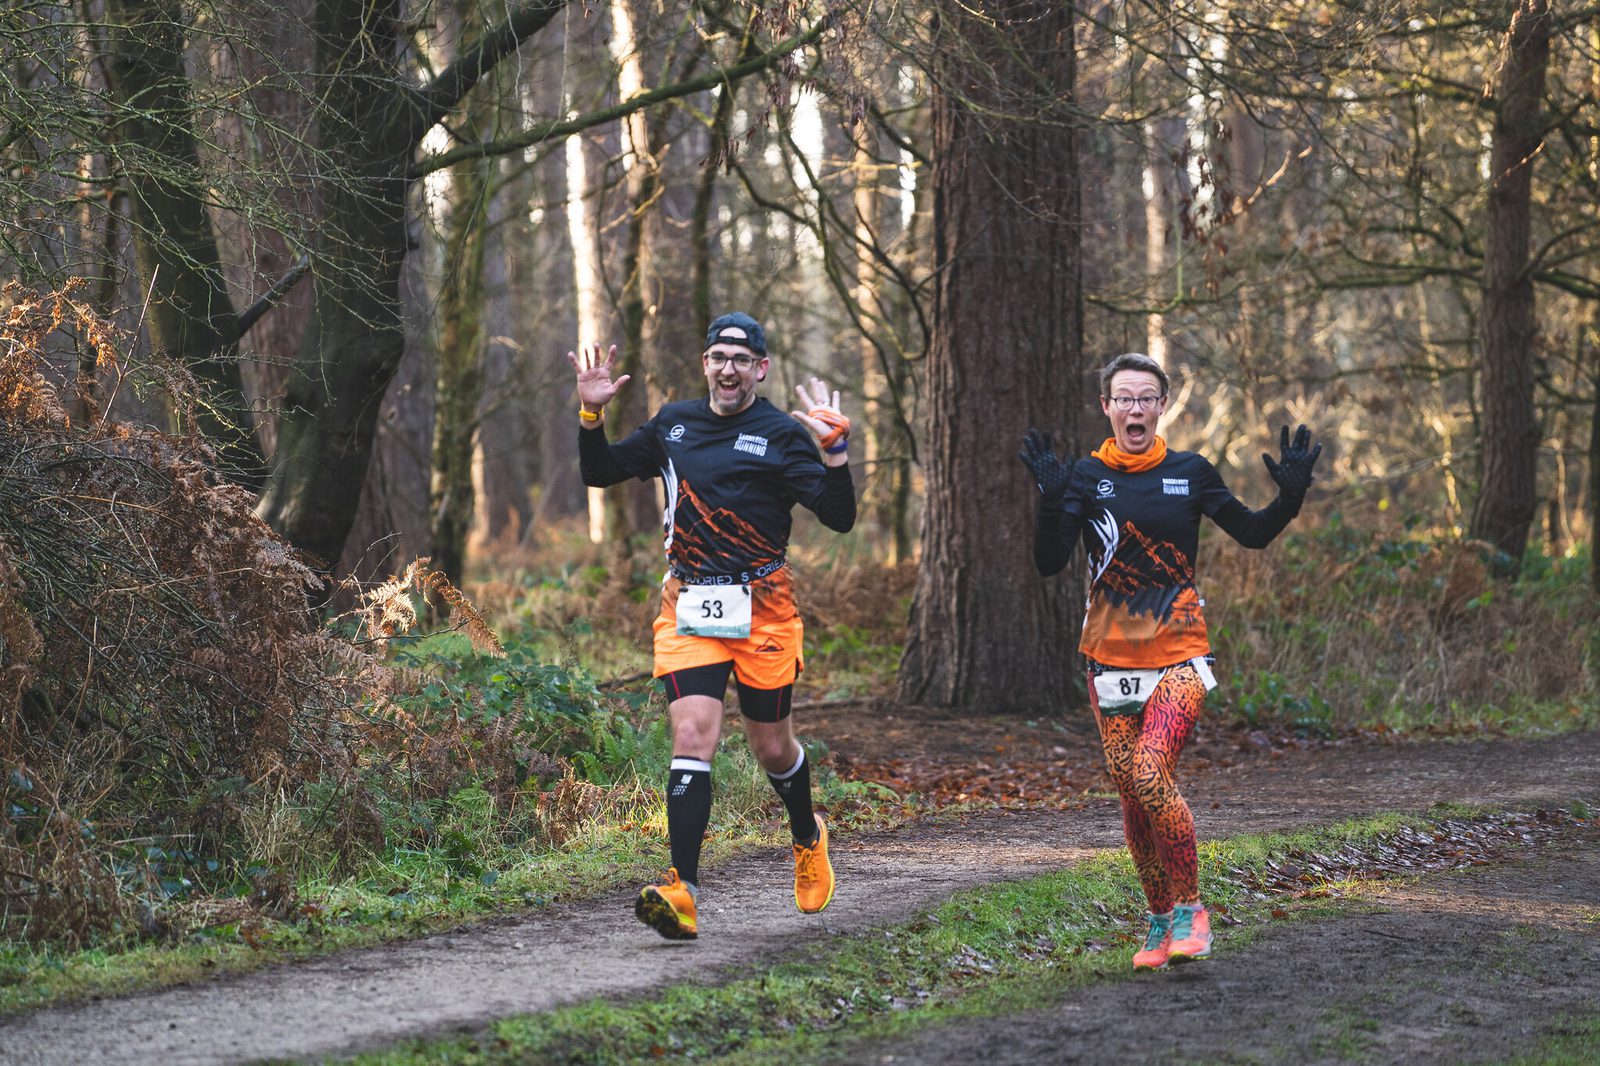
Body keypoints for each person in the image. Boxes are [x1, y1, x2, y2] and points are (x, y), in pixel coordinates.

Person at [1018, 352, 1320, 970]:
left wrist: (1288, 500)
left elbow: (1253, 533)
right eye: (1123, 398)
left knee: (1152, 774)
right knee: (1132, 794)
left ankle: (1192, 911)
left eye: (1146, 398)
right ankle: (1159, 921)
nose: (1135, 408)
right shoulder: (1084, 475)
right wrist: (1051, 500)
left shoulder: (1190, 471)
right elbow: (1049, 561)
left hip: (1180, 649)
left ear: (1161, 406)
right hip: (1108, 656)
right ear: (1107, 407)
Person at [567, 312, 856, 941]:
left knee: (771, 747)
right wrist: (591, 417)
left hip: (765, 609)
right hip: (689, 603)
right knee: (693, 734)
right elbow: (600, 472)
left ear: (761, 369)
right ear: (705, 364)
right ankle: (684, 890)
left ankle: (806, 836)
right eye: (718, 357)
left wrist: (835, 455)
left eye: (741, 359)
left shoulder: (781, 434)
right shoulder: (674, 423)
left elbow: (838, 517)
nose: (728, 369)